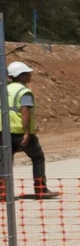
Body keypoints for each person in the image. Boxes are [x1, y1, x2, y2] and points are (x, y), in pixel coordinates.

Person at [6, 61, 60, 200]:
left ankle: (3, 192)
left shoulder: (3, 89)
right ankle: (41, 189)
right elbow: (25, 112)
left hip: (3, 132)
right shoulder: (24, 92)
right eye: (27, 73)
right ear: (21, 76)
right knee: (37, 157)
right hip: (20, 131)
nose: (30, 75)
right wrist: (26, 132)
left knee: (5, 162)